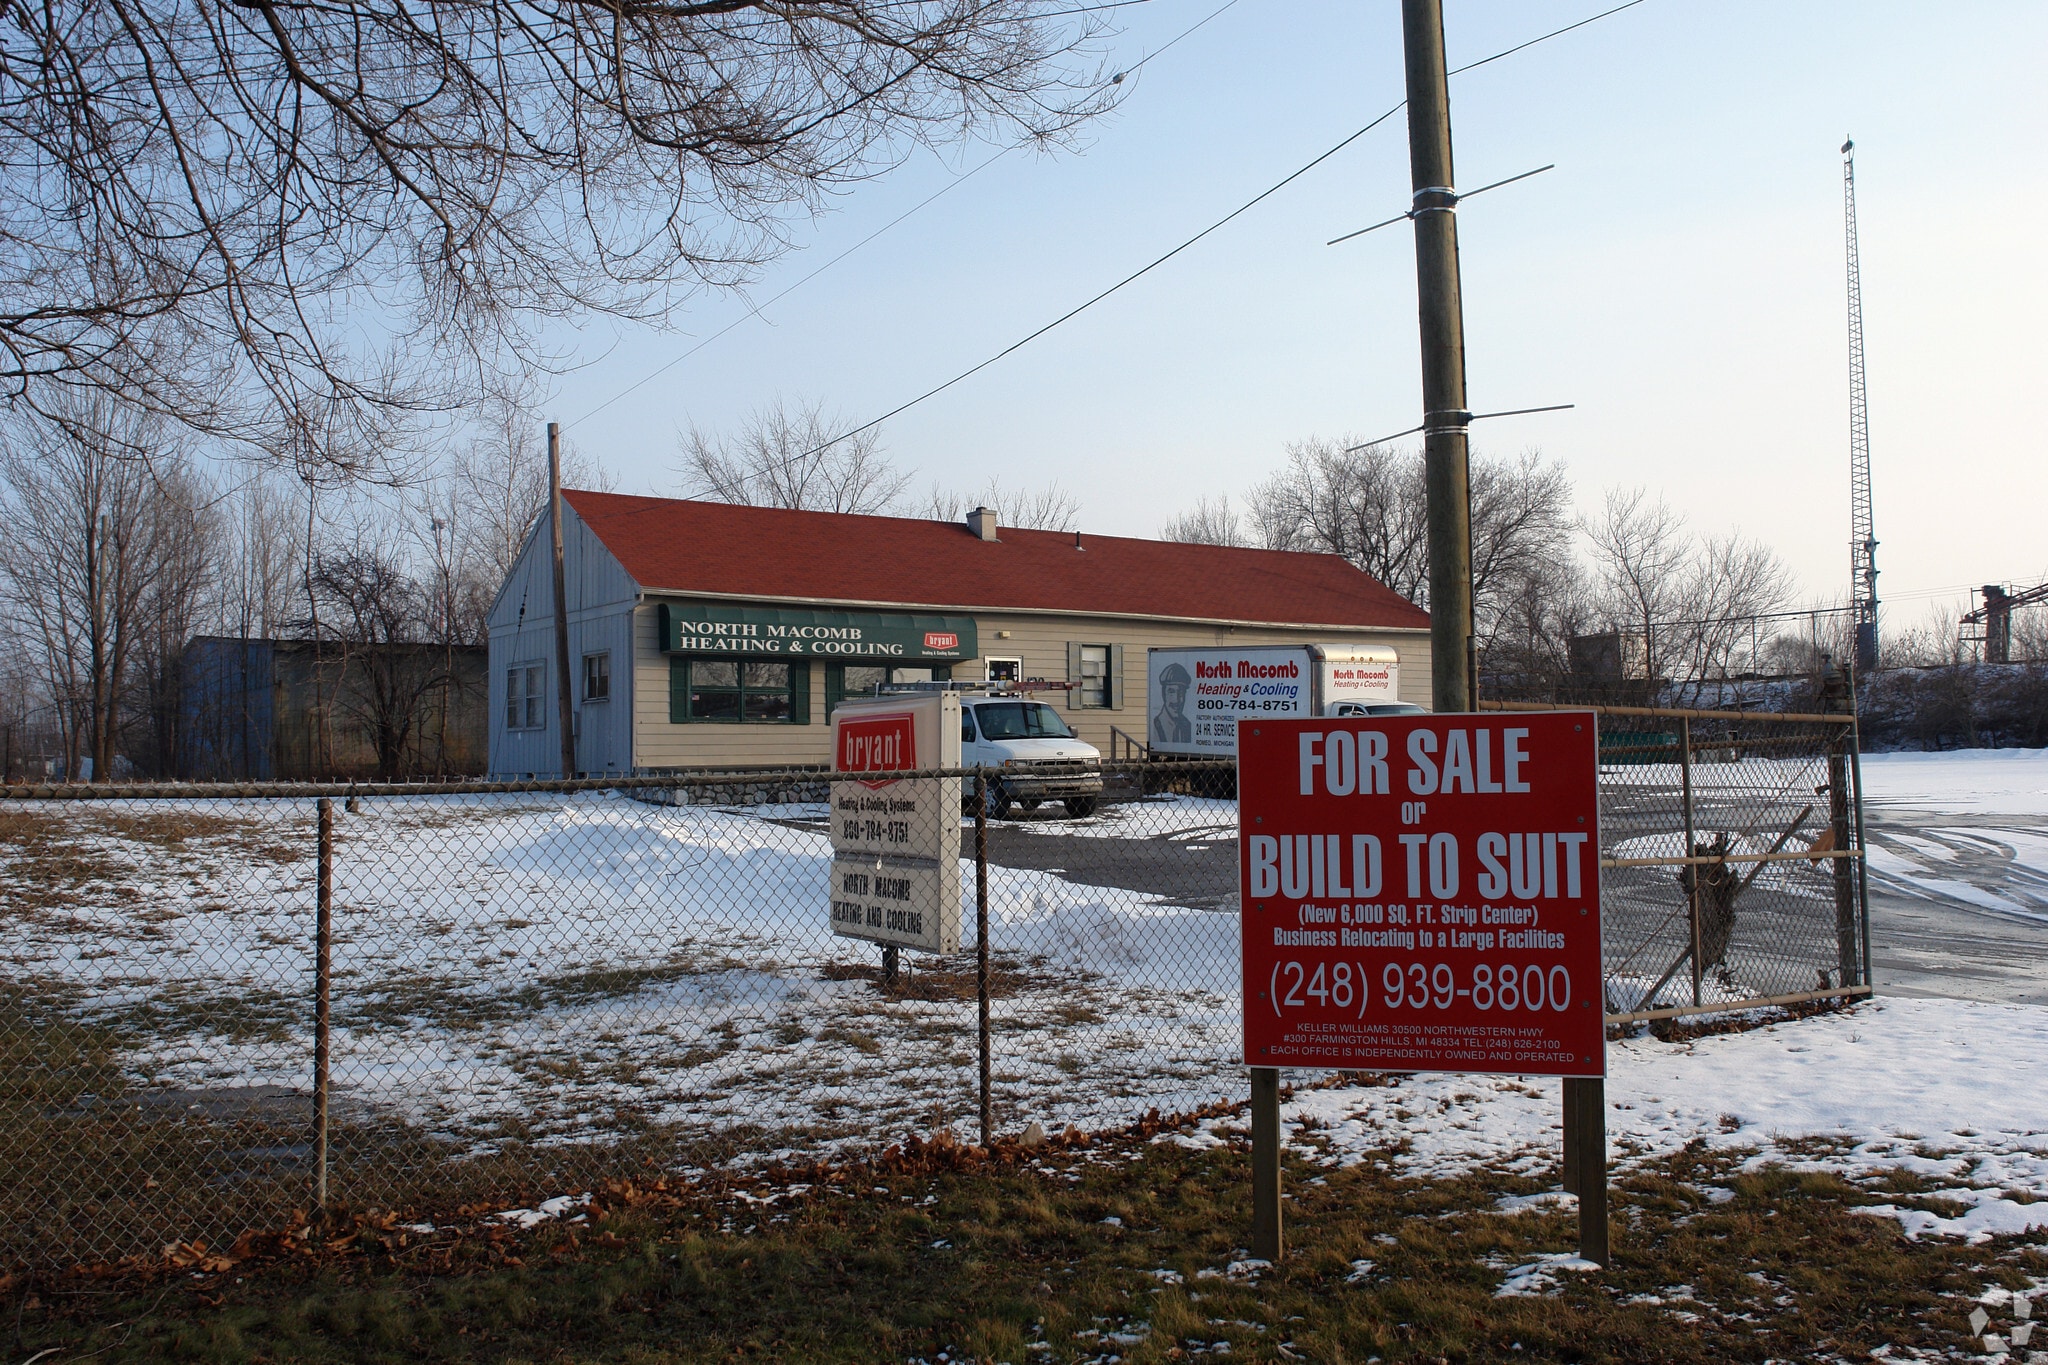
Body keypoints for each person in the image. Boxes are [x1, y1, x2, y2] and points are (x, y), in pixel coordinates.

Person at [1151, 662, 1193, 745]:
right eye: (1171, 692)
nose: (1176, 700)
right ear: (1163, 694)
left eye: (1181, 692)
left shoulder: (1187, 726)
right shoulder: (1155, 726)